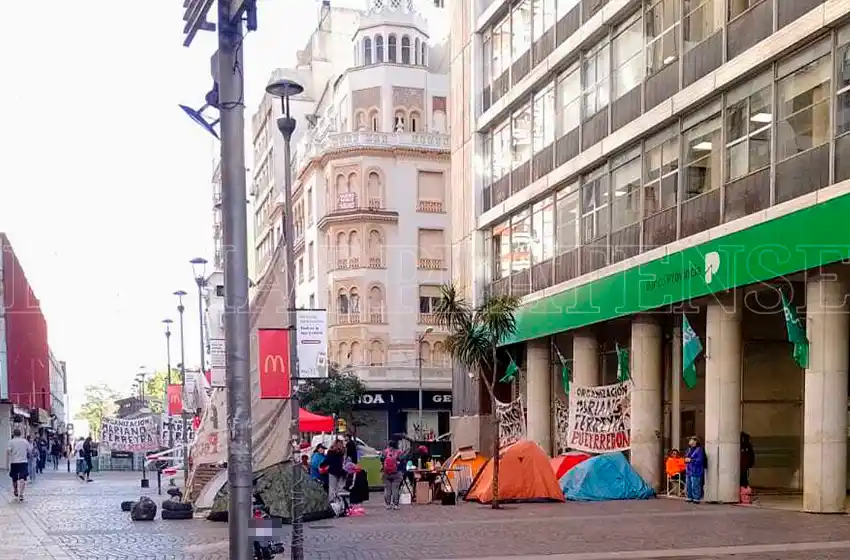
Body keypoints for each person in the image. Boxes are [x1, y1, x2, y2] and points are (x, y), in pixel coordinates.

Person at [7, 429, 32, 501]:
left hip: (14, 462)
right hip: (23, 462)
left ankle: (15, 490)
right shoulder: (25, 441)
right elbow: (30, 451)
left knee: (14, 478)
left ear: (14, 434)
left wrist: (8, 461)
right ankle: (21, 494)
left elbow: (8, 451)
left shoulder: (11, 441)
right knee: (22, 478)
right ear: (20, 434)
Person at [380, 440, 404, 510]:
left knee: (387, 489)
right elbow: (402, 461)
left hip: (386, 473)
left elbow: (381, 459)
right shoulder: (399, 452)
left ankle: (388, 504)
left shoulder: (384, 452)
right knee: (395, 489)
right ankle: (395, 505)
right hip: (396, 473)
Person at [684, 436, 707, 504]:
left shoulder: (699, 449)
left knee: (695, 484)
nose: (689, 441)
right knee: (688, 484)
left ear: (695, 441)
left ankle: (696, 498)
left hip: (696, 470)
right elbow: (685, 457)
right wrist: (685, 459)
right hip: (689, 469)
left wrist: (691, 460)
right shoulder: (689, 449)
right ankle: (689, 497)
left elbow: (700, 460)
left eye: (691, 439)